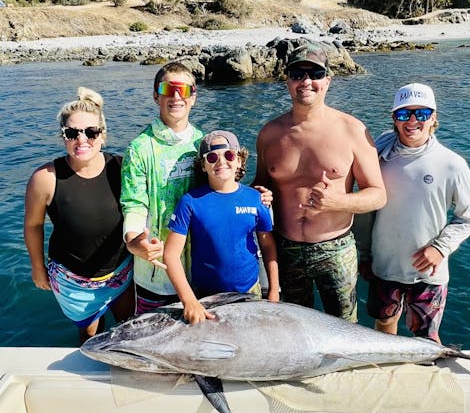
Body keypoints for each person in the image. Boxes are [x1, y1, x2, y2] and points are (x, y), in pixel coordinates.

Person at [253, 41, 386, 322]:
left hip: (335, 249)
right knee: (292, 328)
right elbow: (262, 184)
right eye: (297, 74)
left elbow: (378, 195)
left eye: (314, 74)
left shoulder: (353, 130)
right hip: (285, 249)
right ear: (287, 80)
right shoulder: (269, 134)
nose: (306, 82)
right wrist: (259, 193)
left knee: (344, 328)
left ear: (328, 79)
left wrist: (338, 202)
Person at [361, 82, 470, 343]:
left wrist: (440, 247)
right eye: (404, 114)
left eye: (422, 114)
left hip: (429, 271)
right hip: (384, 266)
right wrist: (364, 254)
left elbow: (469, 217)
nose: (412, 121)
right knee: (383, 324)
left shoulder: (452, 164)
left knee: (426, 335)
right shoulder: (378, 156)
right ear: (394, 118)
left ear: (434, 117)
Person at [24, 87, 134, 344]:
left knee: (129, 328)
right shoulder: (45, 179)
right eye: (72, 133)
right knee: (88, 335)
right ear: (63, 137)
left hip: (121, 272)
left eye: (91, 132)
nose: (82, 140)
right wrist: (37, 267)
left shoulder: (123, 169)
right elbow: (33, 225)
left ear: (103, 135)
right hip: (73, 282)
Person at [164, 131, 279, 324]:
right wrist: (189, 301)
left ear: (239, 161)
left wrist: (274, 290)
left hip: (249, 292)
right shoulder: (190, 202)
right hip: (206, 298)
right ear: (203, 165)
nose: (221, 161)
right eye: (211, 157)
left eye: (229, 155)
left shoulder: (255, 199)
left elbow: (267, 246)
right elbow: (171, 255)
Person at [120, 61, 205, 315]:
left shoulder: (204, 145)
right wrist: (133, 241)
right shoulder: (139, 148)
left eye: (185, 90)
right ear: (156, 96)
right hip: (154, 275)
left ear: (193, 98)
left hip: (199, 271)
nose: (177, 96)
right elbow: (134, 204)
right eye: (169, 89)